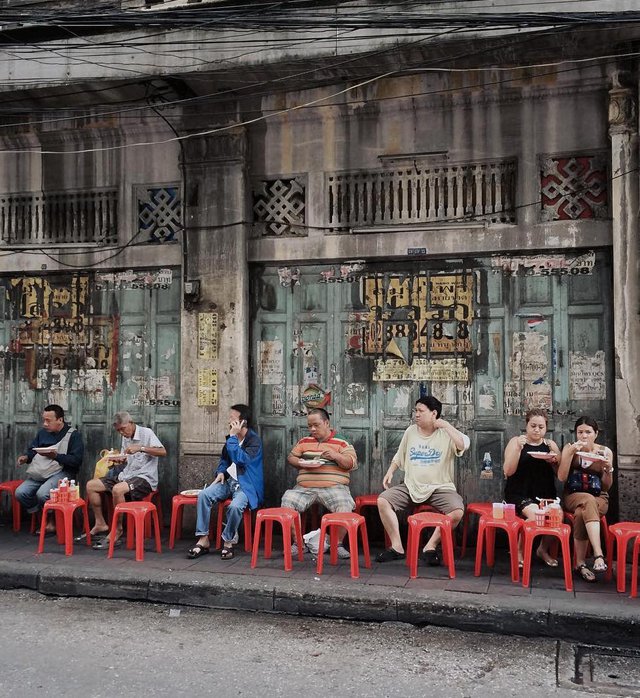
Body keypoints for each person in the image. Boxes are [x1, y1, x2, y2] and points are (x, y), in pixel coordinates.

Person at [376, 396, 469, 566]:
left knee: (457, 511)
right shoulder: (411, 431)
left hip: (440, 488)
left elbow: (462, 445)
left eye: (421, 411)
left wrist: (447, 426)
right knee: (383, 500)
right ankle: (397, 547)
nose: (416, 414)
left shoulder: (447, 433)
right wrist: (390, 471)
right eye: (415, 411)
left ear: (434, 413)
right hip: (411, 486)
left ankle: (430, 546)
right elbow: (400, 454)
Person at [187, 404, 264, 560]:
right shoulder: (232, 439)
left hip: (246, 486)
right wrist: (221, 471)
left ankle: (228, 541)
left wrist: (232, 438)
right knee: (204, 495)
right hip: (229, 482)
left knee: (235, 507)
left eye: (232, 418)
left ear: (243, 422)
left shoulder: (254, 441)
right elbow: (225, 459)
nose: (229, 421)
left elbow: (241, 460)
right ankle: (203, 539)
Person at [281, 408, 357, 558]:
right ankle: (298, 544)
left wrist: (336, 456)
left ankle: (337, 544)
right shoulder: (304, 441)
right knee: (287, 500)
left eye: (316, 425)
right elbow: (291, 457)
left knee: (344, 504)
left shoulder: (342, 442)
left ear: (326, 422)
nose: (312, 429)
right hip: (304, 487)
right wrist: (302, 462)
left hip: (334, 487)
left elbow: (351, 463)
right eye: (309, 426)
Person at [86, 411, 166, 549]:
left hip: (144, 478)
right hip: (127, 475)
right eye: (118, 431)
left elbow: (163, 452)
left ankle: (117, 529)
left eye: (123, 429)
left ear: (131, 423)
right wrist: (121, 459)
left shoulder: (146, 433)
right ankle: (100, 523)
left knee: (118, 490)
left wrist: (140, 448)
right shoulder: (125, 438)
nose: (122, 433)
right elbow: (127, 459)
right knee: (91, 485)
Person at [503, 408, 561, 567]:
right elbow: (508, 471)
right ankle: (519, 550)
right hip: (519, 492)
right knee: (536, 515)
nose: (536, 430)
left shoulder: (550, 445)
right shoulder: (516, 441)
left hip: (545, 494)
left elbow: (560, 475)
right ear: (526, 426)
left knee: (557, 516)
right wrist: (517, 449)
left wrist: (554, 462)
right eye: (533, 426)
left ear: (546, 428)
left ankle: (542, 550)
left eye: (541, 427)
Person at [558, 415, 613, 583]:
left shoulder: (604, 452)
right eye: (580, 432)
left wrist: (608, 470)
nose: (583, 436)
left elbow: (606, 486)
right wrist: (568, 455)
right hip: (573, 495)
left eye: (588, 432)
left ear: (595, 434)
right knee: (586, 501)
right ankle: (598, 554)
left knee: (583, 511)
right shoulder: (570, 449)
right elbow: (561, 477)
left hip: (599, 498)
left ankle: (580, 564)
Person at [15, 404, 84, 533]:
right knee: (21, 493)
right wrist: (26, 457)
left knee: (43, 494)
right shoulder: (42, 433)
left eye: (48, 420)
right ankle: (42, 516)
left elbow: (76, 461)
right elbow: (32, 450)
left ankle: (51, 521)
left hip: (63, 472)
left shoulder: (73, 435)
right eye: (44, 420)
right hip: (41, 471)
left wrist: (56, 456)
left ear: (60, 420)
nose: (45, 424)